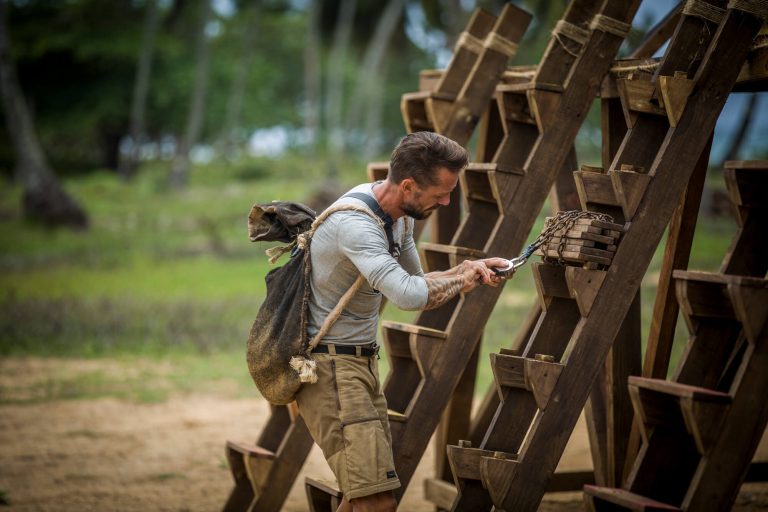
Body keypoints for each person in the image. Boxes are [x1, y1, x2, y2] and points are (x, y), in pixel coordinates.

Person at [295, 131, 506, 512]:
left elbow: (416, 282)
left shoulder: (398, 216)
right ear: (408, 185)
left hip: (358, 365)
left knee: (362, 496)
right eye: (441, 192)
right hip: (332, 372)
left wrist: (466, 269)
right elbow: (409, 296)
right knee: (377, 501)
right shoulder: (357, 225)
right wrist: (462, 279)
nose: (446, 200)